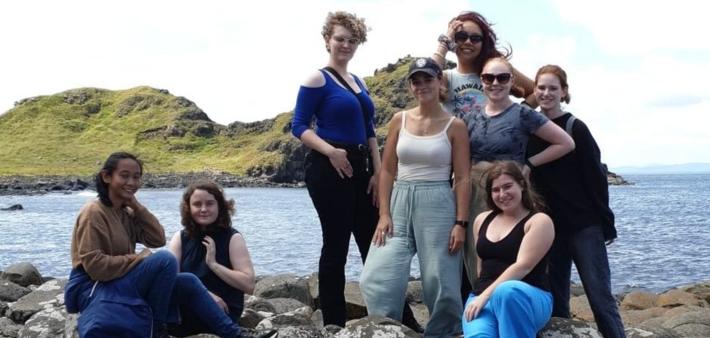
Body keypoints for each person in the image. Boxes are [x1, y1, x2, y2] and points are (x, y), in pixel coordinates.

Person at [291, 11, 424, 329]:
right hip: (328, 166)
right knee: (336, 243)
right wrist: (330, 151)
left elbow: (369, 132)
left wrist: (379, 173)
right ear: (328, 40)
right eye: (339, 38)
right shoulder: (317, 79)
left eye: (352, 41)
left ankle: (398, 317)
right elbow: (298, 126)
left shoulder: (357, 82)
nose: (345, 45)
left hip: (362, 167)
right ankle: (334, 324)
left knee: (375, 243)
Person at [431, 11, 544, 303]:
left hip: (498, 171)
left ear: (485, 41)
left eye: (475, 37)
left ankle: (502, 298)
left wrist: (513, 116)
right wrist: (444, 42)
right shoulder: (446, 76)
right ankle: (470, 305)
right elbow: (427, 75)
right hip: (458, 168)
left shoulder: (496, 70)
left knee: (501, 236)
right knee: (463, 240)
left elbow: (533, 91)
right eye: (461, 36)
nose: (467, 42)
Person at [360, 58, 471, 337]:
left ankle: (443, 333)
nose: (422, 86)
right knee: (377, 276)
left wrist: (461, 222)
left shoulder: (455, 125)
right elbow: (386, 170)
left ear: (439, 82)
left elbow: (463, 178)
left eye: (428, 79)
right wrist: (384, 213)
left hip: (438, 202)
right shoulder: (400, 119)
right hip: (400, 200)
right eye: (416, 81)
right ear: (410, 86)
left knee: (441, 280)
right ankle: (386, 331)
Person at [459, 56, 575, 302]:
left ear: (511, 81)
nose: (495, 83)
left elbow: (565, 142)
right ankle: (481, 302)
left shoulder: (523, 114)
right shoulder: (470, 116)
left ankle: (515, 301)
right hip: (476, 188)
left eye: (502, 77)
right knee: (477, 251)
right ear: (482, 81)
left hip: (508, 188)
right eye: (489, 77)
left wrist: (530, 164)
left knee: (514, 247)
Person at [526, 65, 626, 338]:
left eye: (553, 88)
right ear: (535, 91)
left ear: (564, 92)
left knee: (599, 298)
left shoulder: (574, 127)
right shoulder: (528, 128)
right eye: (542, 88)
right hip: (547, 229)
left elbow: (596, 177)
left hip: (583, 226)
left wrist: (607, 223)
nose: (547, 93)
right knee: (556, 300)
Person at [64, 152, 177, 338]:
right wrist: (138, 259)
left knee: (187, 281)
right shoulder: (93, 212)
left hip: (118, 279)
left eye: (136, 177)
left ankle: (232, 332)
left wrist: (137, 206)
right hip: (91, 285)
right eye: (124, 176)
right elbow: (96, 267)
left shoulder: (125, 212)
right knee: (165, 260)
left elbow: (158, 239)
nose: (131, 183)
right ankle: (156, 331)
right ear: (106, 176)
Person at [168, 181, 277, 338]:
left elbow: (248, 284)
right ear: (189, 208)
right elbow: (172, 280)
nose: (204, 209)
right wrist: (205, 296)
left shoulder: (233, 238)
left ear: (220, 206)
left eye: (210, 204)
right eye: (197, 204)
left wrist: (214, 264)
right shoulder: (179, 238)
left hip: (223, 311)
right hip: (186, 312)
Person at [462, 161, 554, 338]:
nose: (502, 194)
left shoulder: (539, 221)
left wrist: (486, 296)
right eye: (496, 190)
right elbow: (481, 267)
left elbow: (523, 266)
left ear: (521, 184)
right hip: (483, 298)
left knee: (507, 291)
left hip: (527, 297)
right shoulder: (481, 220)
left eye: (507, 186)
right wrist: (480, 297)